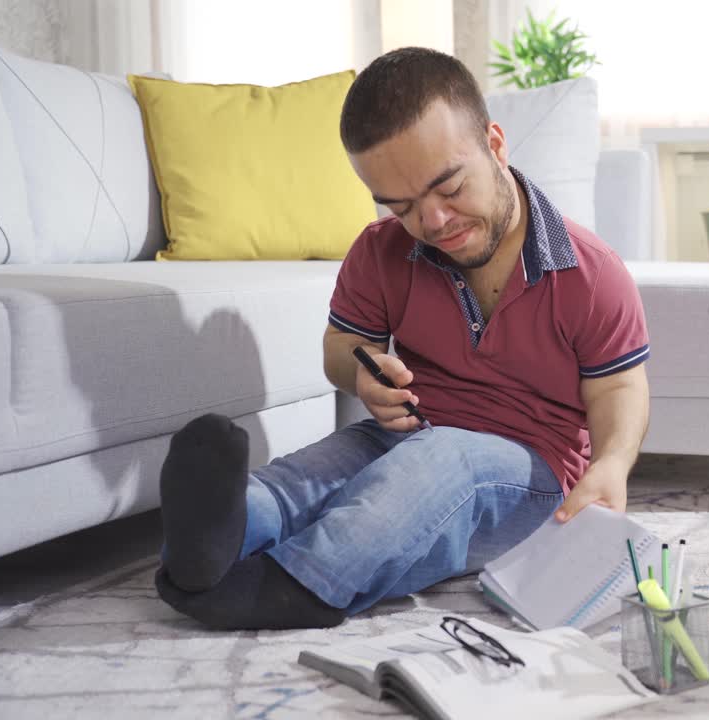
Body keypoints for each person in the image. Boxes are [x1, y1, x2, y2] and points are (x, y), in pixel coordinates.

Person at [154, 47, 651, 630]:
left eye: (450, 188)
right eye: (403, 206)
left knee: (437, 465)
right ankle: (210, 545)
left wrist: (613, 463)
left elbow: (619, 387)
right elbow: (340, 349)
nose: (434, 222)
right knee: (306, 480)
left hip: (533, 477)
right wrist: (364, 373)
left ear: (495, 145)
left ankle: (301, 586)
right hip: (406, 434)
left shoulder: (589, 272)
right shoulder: (380, 250)